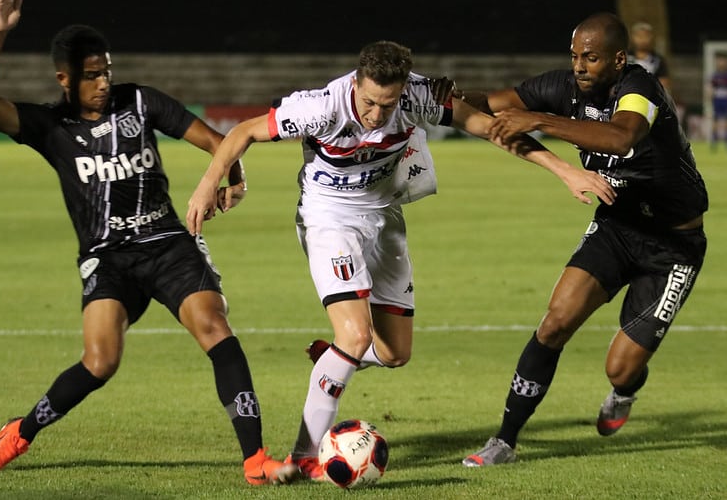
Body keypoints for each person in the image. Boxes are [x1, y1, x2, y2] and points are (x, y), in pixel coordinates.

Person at [185, 40, 616, 479]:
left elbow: (492, 130)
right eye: (369, 102)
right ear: (357, 84)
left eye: (387, 105)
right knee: (355, 335)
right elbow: (243, 133)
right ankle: (303, 457)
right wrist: (207, 185)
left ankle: (336, 358)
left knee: (394, 353)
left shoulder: (418, 96)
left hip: (384, 217)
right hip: (329, 218)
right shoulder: (321, 108)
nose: (376, 114)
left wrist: (566, 171)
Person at [0, 0, 297, 485]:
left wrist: (234, 176)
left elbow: (217, 141)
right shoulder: (49, 127)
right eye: (91, 75)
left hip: (167, 244)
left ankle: (255, 460)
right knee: (101, 362)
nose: (103, 82)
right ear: (64, 79)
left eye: (107, 71)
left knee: (215, 328)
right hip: (108, 258)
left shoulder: (140, 102)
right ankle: (20, 432)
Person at [459, 12, 708, 467]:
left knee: (620, 368)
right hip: (618, 227)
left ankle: (626, 389)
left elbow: (622, 137)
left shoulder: (640, 88)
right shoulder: (562, 86)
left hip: (673, 248)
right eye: (575, 56)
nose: (579, 66)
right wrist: (438, 99)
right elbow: (491, 103)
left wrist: (539, 120)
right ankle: (505, 441)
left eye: (590, 58)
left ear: (618, 59)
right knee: (555, 322)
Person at [627, 22, 671, 92]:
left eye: (646, 36)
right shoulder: (625, 58)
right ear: (632, 37)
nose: (642, 39)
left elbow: (663, 84)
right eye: (639, 36)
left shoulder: (658, 60)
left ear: (651, 37)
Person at [707, 52, 727, 149]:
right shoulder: (715, 75)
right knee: (716, 119)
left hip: (725, 100)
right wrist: (709, 95)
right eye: (719, 60)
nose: (721, 62)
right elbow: (711, 87)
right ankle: (714, 139)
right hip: (717, 100)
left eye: (723, 60)